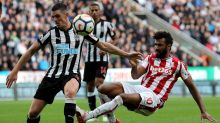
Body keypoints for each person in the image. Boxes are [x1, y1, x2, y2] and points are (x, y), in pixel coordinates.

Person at [5, 3, 142, 123]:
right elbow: (30, 51)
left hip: (72, 74)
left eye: (57, 16)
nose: (55, 19)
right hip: (52, 75)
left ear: (66, 15)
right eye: (53, 17)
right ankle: (80, 112)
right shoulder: (51, 34)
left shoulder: (80, 30)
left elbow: (103, 45)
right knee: (33, 114)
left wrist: (127, 54)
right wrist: (15, 70)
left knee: (70, 93)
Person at [75, 31, 217, 123]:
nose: (156, 48)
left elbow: (192, 87)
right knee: (101, 88)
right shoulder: (150, 58)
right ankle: (112, 121)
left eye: (159, 45)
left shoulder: (178, 65)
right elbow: (136, 75)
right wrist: (133, 66)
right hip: (140, 89)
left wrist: (203, 110)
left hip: (154, 98)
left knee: (121, 98)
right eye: (155, 44)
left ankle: (86, 116)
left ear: (169, 46)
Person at [83, 2, 118, 122]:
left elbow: (115, 38)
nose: (93, 12)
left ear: (100, 12)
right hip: (89, 60)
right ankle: (94, 115)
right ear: (88, 12)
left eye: (96, 10)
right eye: (91, 10)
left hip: (102, 60)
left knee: (100, 85)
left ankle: (108, 112)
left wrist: (106, 48)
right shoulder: (83, 25)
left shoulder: (107, 25)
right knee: (90, 87)